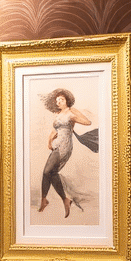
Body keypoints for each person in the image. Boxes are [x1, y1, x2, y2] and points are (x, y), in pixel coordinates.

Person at [37, 89, 94, 218]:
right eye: (57, 100)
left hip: (65, 145)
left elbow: (87, 122)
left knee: (47, 172)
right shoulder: (58, 114)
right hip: (56, 145)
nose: (58, 102)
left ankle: (45, 199)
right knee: (51, 173)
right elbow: (53, 130)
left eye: (61, 100)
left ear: (67, 100)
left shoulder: (71, 113)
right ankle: (63, 200)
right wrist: (49, 141)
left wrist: (74, 112)